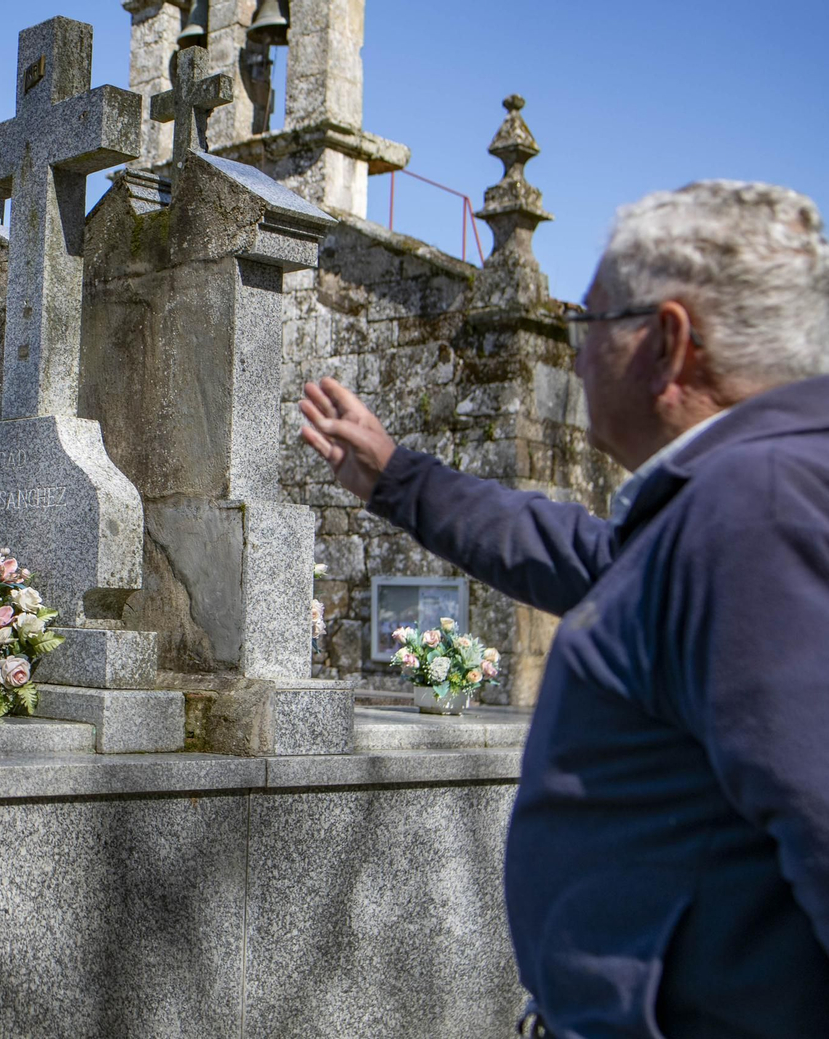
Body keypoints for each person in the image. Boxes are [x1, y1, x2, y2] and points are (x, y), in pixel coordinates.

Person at [299, 180, 829, 1037]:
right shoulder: (734, 499)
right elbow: (583, 556)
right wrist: (400, 477)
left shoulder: (757, 508)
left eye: (589, 323)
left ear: (668, 343)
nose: (576, 358)